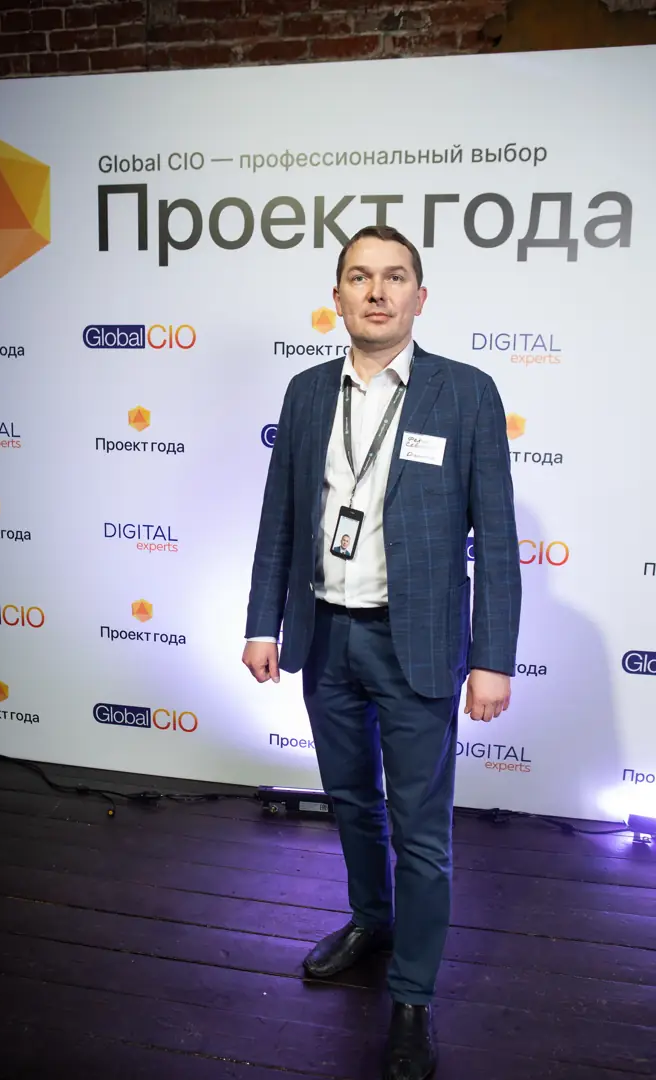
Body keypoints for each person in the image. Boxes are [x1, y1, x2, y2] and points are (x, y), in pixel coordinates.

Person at [242, 224, 521, 1080]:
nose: (376, 291)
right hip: (325, 636)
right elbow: (280, 520)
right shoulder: (304, 393)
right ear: (337, 296)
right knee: (352, 803)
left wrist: (493, 657)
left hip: (419, 647)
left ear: (419, 297)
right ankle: (371, 919)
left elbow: (497, 541)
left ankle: (412, 997)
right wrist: (261, 622)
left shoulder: (465, 393)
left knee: (422, 833)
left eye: (394, 277)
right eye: (360, 277)